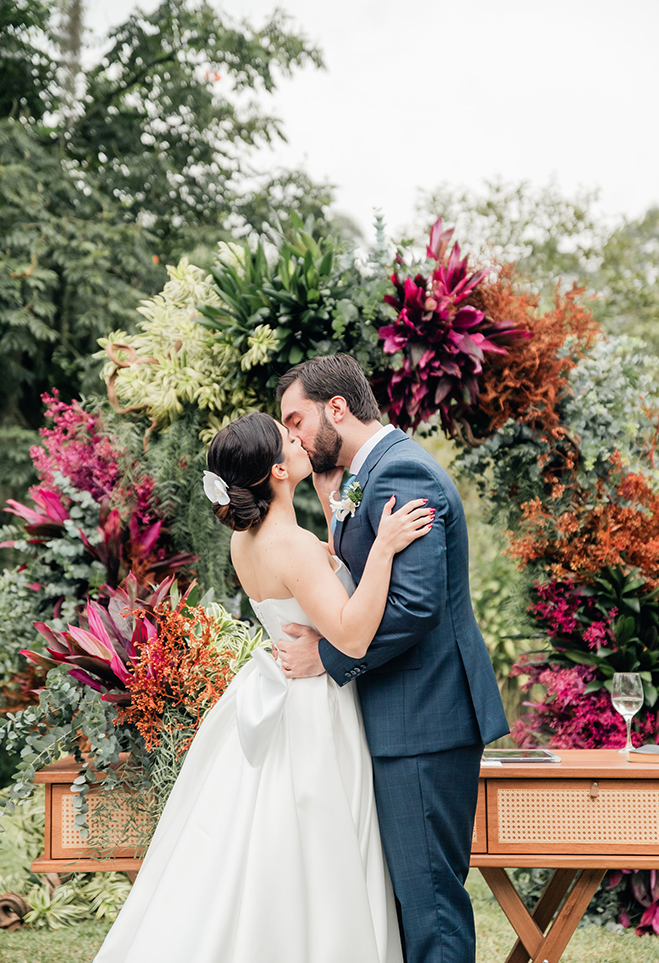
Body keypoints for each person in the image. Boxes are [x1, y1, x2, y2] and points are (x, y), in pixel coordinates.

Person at [94, 410, 432, 963]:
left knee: (256, 846)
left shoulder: (249, 542)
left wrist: (328, 512)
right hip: (312, 710)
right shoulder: (289, 547)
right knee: (317, 850)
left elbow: (307, 591)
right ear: (277, 469)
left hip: (277, 691)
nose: (299, 437)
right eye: (288, 438)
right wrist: (385, 548)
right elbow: (348, 633)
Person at [277, 354, 509, 963]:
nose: (293, 436)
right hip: (405, 718)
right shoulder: (367, 473)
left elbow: (413, 607)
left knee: (429, 905)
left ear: (337, 408)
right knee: (410, 904)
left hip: (424, 719)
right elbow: (362, 580)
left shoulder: (403, 473)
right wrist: (334, 511)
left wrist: (327, 658)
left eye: (296, 419)